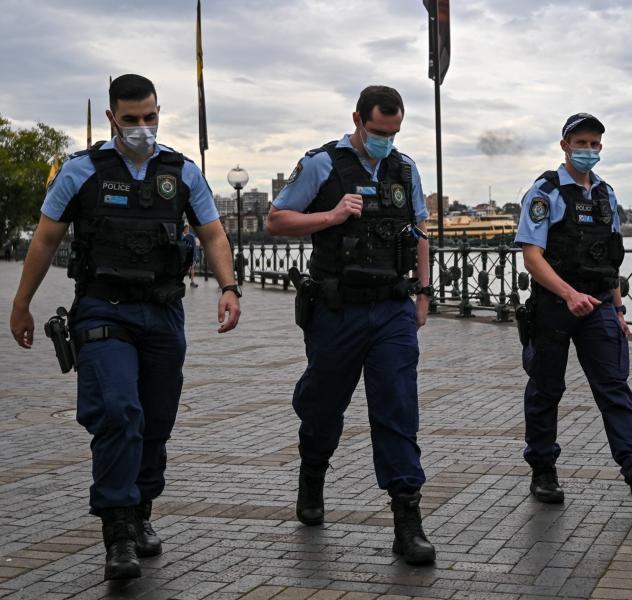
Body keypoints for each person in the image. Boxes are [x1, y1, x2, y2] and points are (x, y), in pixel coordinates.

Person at [8, 74, 241, 580]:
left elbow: (214, 233)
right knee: (118, 411)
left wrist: (228, 287)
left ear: (160, 112)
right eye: (131, 120)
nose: (142, 128)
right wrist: (21, 304)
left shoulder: (181, 173)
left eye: (150, 117)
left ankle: (141, 513)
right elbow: (45, 240)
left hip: (162, 313)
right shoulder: (82, 171)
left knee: (155, 422)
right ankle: (117, 532)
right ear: (112, 118)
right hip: (102, 309)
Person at [266, 85, 435, 565]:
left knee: (398, 409)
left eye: (394, 132)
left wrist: (423, 293)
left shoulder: (405, 169)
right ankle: (313, 474)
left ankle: (407, 520)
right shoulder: (322, 164)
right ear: (358, 119)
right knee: (322, 405)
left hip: (392, 309)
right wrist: (332, 214)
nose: (387, 140)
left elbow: (419, 233)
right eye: (379, 131)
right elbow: (277, 221)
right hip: (337, 309)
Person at [514, 113, 632, 516]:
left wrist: (619, 308)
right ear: (565, 145)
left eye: (594, 144)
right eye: (581, 143)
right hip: (555, 306)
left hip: (598, 307)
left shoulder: (607, 195)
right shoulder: (545, 192)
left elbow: (610, 259)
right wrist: (568, 293)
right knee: (546, 389)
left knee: (614, 389)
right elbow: (531, 257)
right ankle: (543, 469)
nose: (588, 150)